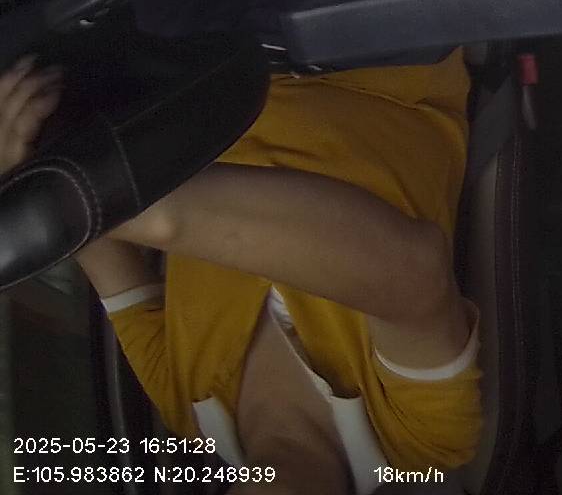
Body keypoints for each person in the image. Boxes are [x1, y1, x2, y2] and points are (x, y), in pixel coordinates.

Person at [0, 51, 481, 494]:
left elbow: (87, 237)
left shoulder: (185, 406)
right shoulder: (419, 442)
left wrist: (23, 164)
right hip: (374, 57)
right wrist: (145, 215)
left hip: (203, 68)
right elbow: (410, 269)